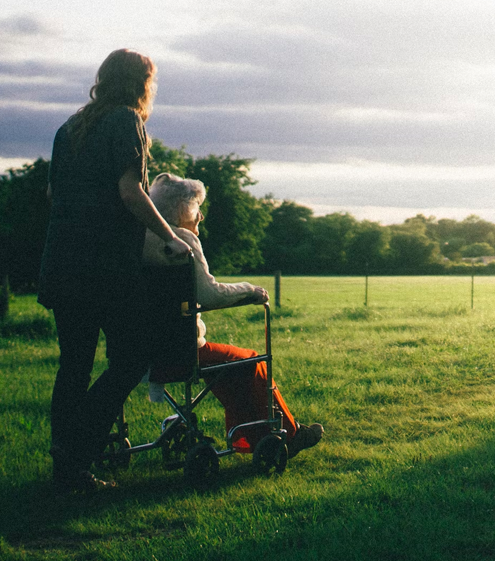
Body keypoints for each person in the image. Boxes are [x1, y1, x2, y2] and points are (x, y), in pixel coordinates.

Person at [37, 49, 190, 492]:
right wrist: (170, 236)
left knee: (75, 366)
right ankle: (76, 451)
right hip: (103, 268)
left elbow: (54, 193)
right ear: (141, 83)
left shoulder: (70, 128)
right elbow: (131, 191)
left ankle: (66, 468)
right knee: (131, 359)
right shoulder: (126, 122)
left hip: (61, 262)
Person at [141, 172, 324, 456]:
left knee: (229, 366)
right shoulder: (183, 241)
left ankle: (250, 439)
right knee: (251, 361)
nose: (200, 216)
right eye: (197, 208)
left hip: (145, 351)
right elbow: (209, 295)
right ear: (182, 210)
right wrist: (250, 290)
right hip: (182, 351)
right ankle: (289, 434)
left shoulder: (142, 240)